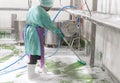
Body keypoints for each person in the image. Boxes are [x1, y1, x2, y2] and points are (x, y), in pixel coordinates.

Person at [24, 0, 63, 80]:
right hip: (34, 33)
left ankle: (41, 67)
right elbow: (49, 24)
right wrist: (58, 31)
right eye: (50, 6)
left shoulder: (34, 8)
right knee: (35, 53)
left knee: (35, 51)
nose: (50, 8)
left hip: (28, 31)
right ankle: (31, 75)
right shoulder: (42, 13)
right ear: (48, 5)